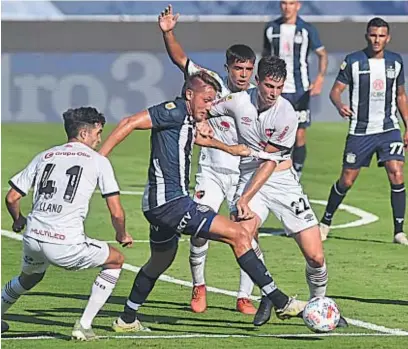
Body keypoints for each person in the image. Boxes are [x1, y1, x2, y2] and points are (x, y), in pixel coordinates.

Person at [98, 71, 307, 332]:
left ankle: (127, 319)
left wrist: (229, 149)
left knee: (160, 261)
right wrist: (97, 159)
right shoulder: (172, 111)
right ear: (189, 95)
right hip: (170, 203)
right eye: (206, 100)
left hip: (158, 205)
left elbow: (191, 137)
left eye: (213, 101)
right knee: (239, 235)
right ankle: (280, 301)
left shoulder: (187, 118)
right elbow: (129, 122)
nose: (210, 107)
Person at [209, 55, 347, 328]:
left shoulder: (286, 113)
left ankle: (319, 304)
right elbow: (204, 108)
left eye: (279, 87)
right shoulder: (237, 101)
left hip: (281, 179)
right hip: (248, 176)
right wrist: (200, 121)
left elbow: (269, 163)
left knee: (315, 256)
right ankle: (269, 293)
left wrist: (244, 198)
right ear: (257, 81)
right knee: (244, 236)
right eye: (269, 86)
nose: (273, 93)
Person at [159, 4, 262, 314]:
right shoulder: (211, 84)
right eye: (238, 69)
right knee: (200, 232)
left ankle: (244, 296)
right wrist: (168, 32)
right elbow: (180, 59)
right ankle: (198, 286)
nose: (243, 75)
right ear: (228, 67)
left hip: (243, 175)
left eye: (248, 69)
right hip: (212, 171)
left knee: (247, 234)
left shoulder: (258, 98)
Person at [0, 107, 134, 340]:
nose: (99, 139)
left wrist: (19, 220)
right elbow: (116, 212)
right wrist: (121, 234)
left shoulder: (46, 155)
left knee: (30, 277)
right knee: (116, 260)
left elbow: (12, 197)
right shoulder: (98, 161)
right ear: (84, 134)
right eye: (98, 133)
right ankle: (83, 325)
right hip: (64, 243)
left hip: (33, 237)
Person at [319, 17, 408, 245]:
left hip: (389, 128)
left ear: (387, 38)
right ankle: (325, 221)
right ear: (367, 36)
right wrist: (340, 106)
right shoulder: (354, 62)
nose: (376, 40)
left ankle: (399, 231)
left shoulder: (396, 62)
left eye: (381, 36)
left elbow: (400, 96)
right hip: (361, 131)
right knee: (347, 180)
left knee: (396, 173)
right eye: (373, 35)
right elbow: (335, 91)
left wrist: (407, 126)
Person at [263, 0, 328, 178]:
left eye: (291, 3)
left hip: (300, 91)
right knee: (273, 132)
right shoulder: (271, 29)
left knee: (299, 134)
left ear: (298, 6)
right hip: (277, 91)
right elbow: (266, 57)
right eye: (284, 3)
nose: (287, 7)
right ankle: (272, 172)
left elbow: (322, 54)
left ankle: (296, 173)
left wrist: (320, 78)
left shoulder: (307, 29)